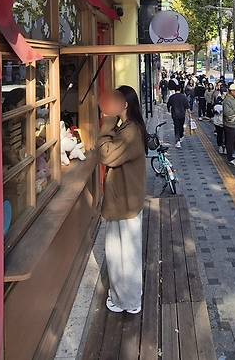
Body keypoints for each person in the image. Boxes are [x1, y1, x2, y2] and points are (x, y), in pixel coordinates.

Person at [97, 85, 148, 314]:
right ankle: (126, 298)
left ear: (124, 104)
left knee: (122, 254)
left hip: (125, 203)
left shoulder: (130, 132)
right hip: (126, 201)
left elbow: (106, 155)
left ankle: (126, 301)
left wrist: (106, 126)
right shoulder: (129, 127)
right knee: (122, 253)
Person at [166, 84, 189, 149]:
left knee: (176, 126)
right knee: (181, 126)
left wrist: (168, 110)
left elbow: (168, 104)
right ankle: (181, 136)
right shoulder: (183, 97)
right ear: (180, 89)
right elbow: (187, 106)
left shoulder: (172, 97)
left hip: (175, 114)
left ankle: (178, 141)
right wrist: (189, 114)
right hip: (182, 114)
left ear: (174, 90)